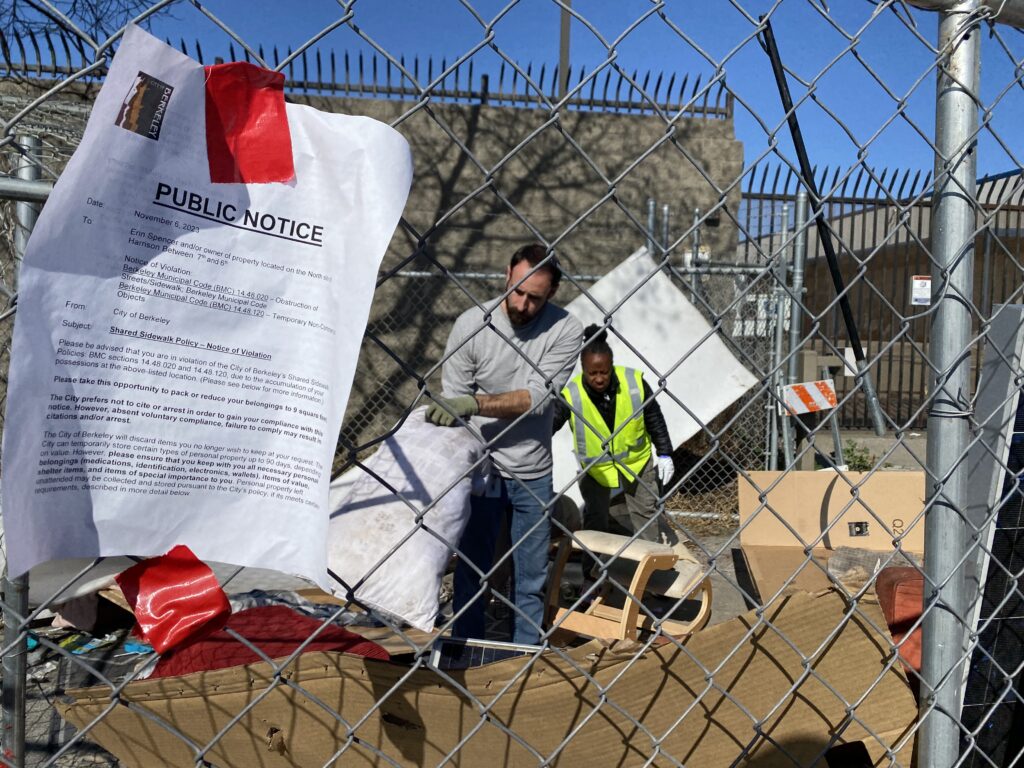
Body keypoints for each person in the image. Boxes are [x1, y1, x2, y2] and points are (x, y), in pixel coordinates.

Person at [427, 243, 583, 645]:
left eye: (535, 298)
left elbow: (538, 398)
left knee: (530, 574)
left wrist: (475, 403)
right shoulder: (471, 325)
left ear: (551, 294)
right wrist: (459, 409)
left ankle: (525, 655)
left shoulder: (566, 329)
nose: (523, 304)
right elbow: (454, 402)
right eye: (517, 291)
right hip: (480, 468)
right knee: (472, 570)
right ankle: (466, 649)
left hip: (531, 472)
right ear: (506, 275)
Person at [553, 324, 678, 546]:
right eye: (592, 373)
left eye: (604, 372)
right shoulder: (571, 394)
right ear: (583, 369)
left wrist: (665, 452)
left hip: (637, 462)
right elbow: (549, 424)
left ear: (612, 366)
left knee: (645, 514)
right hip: (595, 468)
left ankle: (651, 567)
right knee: (595, 518)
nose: (599, 379)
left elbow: (654, 418)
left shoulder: (634, 383)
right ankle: (593, 573)